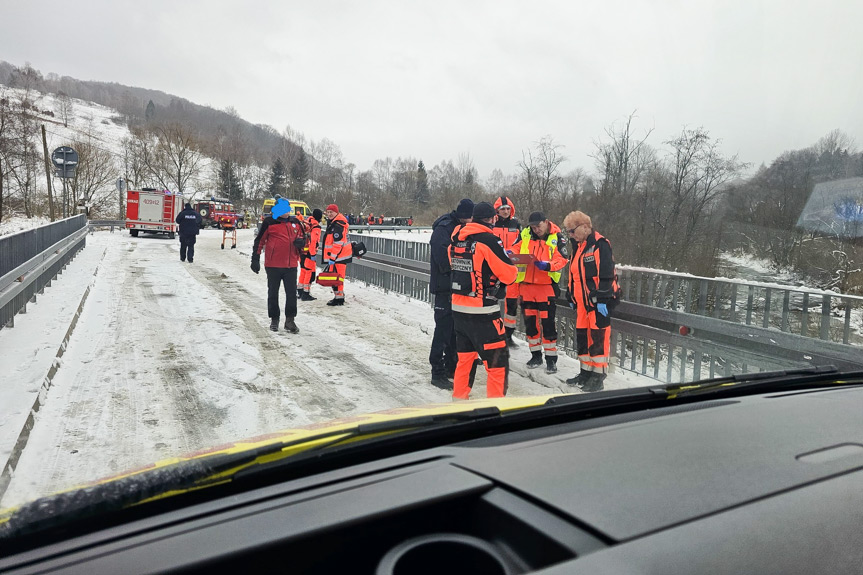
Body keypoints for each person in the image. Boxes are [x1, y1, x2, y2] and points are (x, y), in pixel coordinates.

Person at [449, 202, 518, 400]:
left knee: (465, 360)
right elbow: (509, 275)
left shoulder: (457, 239)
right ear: (492, 219)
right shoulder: (489, 241)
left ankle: (458, 401)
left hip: (459, 309)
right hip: (483, 312)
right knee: (497, 363)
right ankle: (496, 409)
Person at [563, 210, 619, 392]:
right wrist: (570, 295)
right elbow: (574, 275)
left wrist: (602, 298)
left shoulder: (599, 244)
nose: (570, 235)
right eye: (568, 231)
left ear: (585, 227)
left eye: (572, 231)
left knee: (598, 340)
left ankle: (598, 376)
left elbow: (606, 274)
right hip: (582, 304)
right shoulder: (578, 247)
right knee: (583, 339)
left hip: (597, 304)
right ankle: (585, 372)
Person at [428, 198, 474, 389]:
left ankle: (451, 366)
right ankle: (436, 371)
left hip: (457, 287)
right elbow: (442, 258)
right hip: (444, 286)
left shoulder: (461, 227)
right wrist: (460, 270)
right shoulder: (444, 227)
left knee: (456, 330)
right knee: (443, 330)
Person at [515, 211, 568, 374]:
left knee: (548, 325)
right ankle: (535, 355)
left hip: (546, 286)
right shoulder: (525, 234)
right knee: (530, 324)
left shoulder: (557, 237)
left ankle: (551, 360)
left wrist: (548, 265)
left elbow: (563, 258)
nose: (536, 230)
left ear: (546, 222)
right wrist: (511, 256)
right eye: (533, 227)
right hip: (526, 287)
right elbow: (513, 250)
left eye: (538, 226)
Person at [251, 198, 305, 333]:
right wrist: (255, 259)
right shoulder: (269, 222)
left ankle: (290, 320)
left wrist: (302, 244)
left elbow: (303, 238)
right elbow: (260, 241)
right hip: (273, 264)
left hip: (291, 264)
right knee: (273, 292)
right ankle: (274, 319)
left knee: (291, 293)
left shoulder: (295, 222)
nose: (286, 212)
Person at [491, 196, 522, 347]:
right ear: (497, 210)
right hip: (495, 267)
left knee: (512, 304)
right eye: (502, 208)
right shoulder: (492, 224)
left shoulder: (516, 224)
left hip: (511, 267)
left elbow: (521, 243)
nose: (505, 211)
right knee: (492, 300)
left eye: (507, 208)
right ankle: (493, 333)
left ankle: (508, 335)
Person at [322, 203, 352, 306]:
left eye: (331, 212)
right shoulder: (334, 223)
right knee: (336, 277)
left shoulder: (338, 225)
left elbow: (337, 243)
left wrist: (332, 257)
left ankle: (339, 298)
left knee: (338, 277)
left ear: (336, 212)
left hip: (339, 256)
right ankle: (338, 296)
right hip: (339, 255)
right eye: (328, 212)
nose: (329, 214)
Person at [298, 208, 323, 301]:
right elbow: (314, 242)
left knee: (303, 271)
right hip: (309, 252)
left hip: (302, 251)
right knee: (309, 272)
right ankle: (306, 293)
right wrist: (313, 254)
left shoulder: (307, 222)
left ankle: (300, 290)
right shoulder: (316, 227)